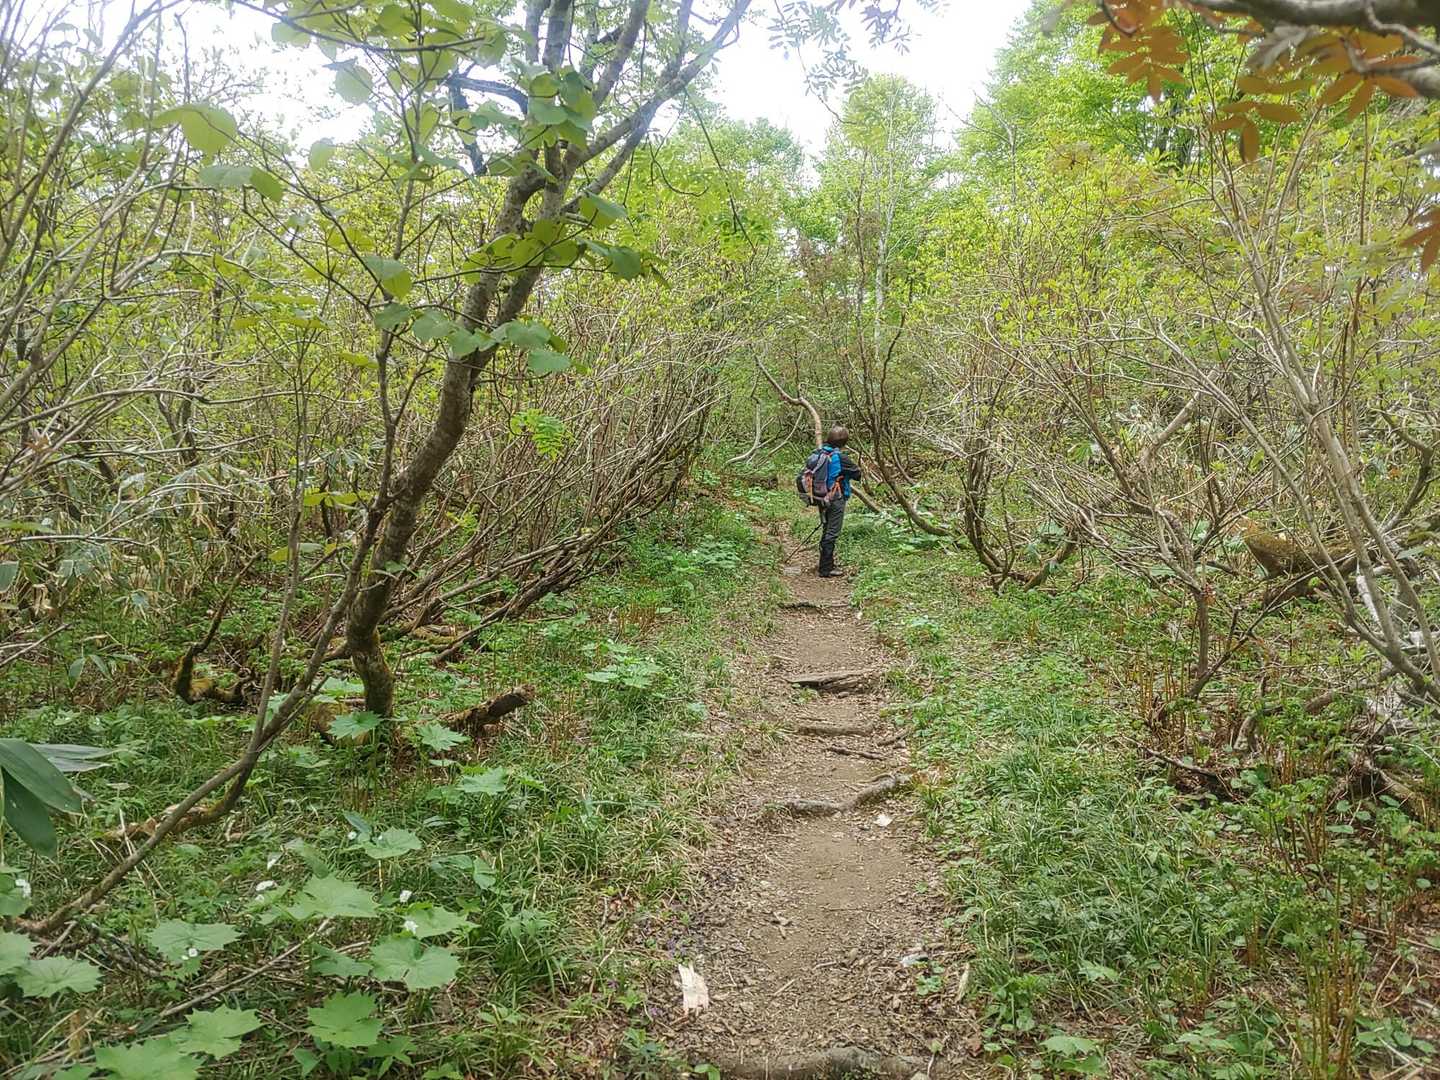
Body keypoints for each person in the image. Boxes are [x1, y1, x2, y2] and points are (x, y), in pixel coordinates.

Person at [817, 425, 862, 578]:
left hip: (821, 497)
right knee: (832, 532)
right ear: (844, 442)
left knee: (827, 529)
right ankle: (826, 569)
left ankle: (825, 564)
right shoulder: (840, 457)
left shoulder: (821, 453)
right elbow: (857, 474)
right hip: (835, 498)